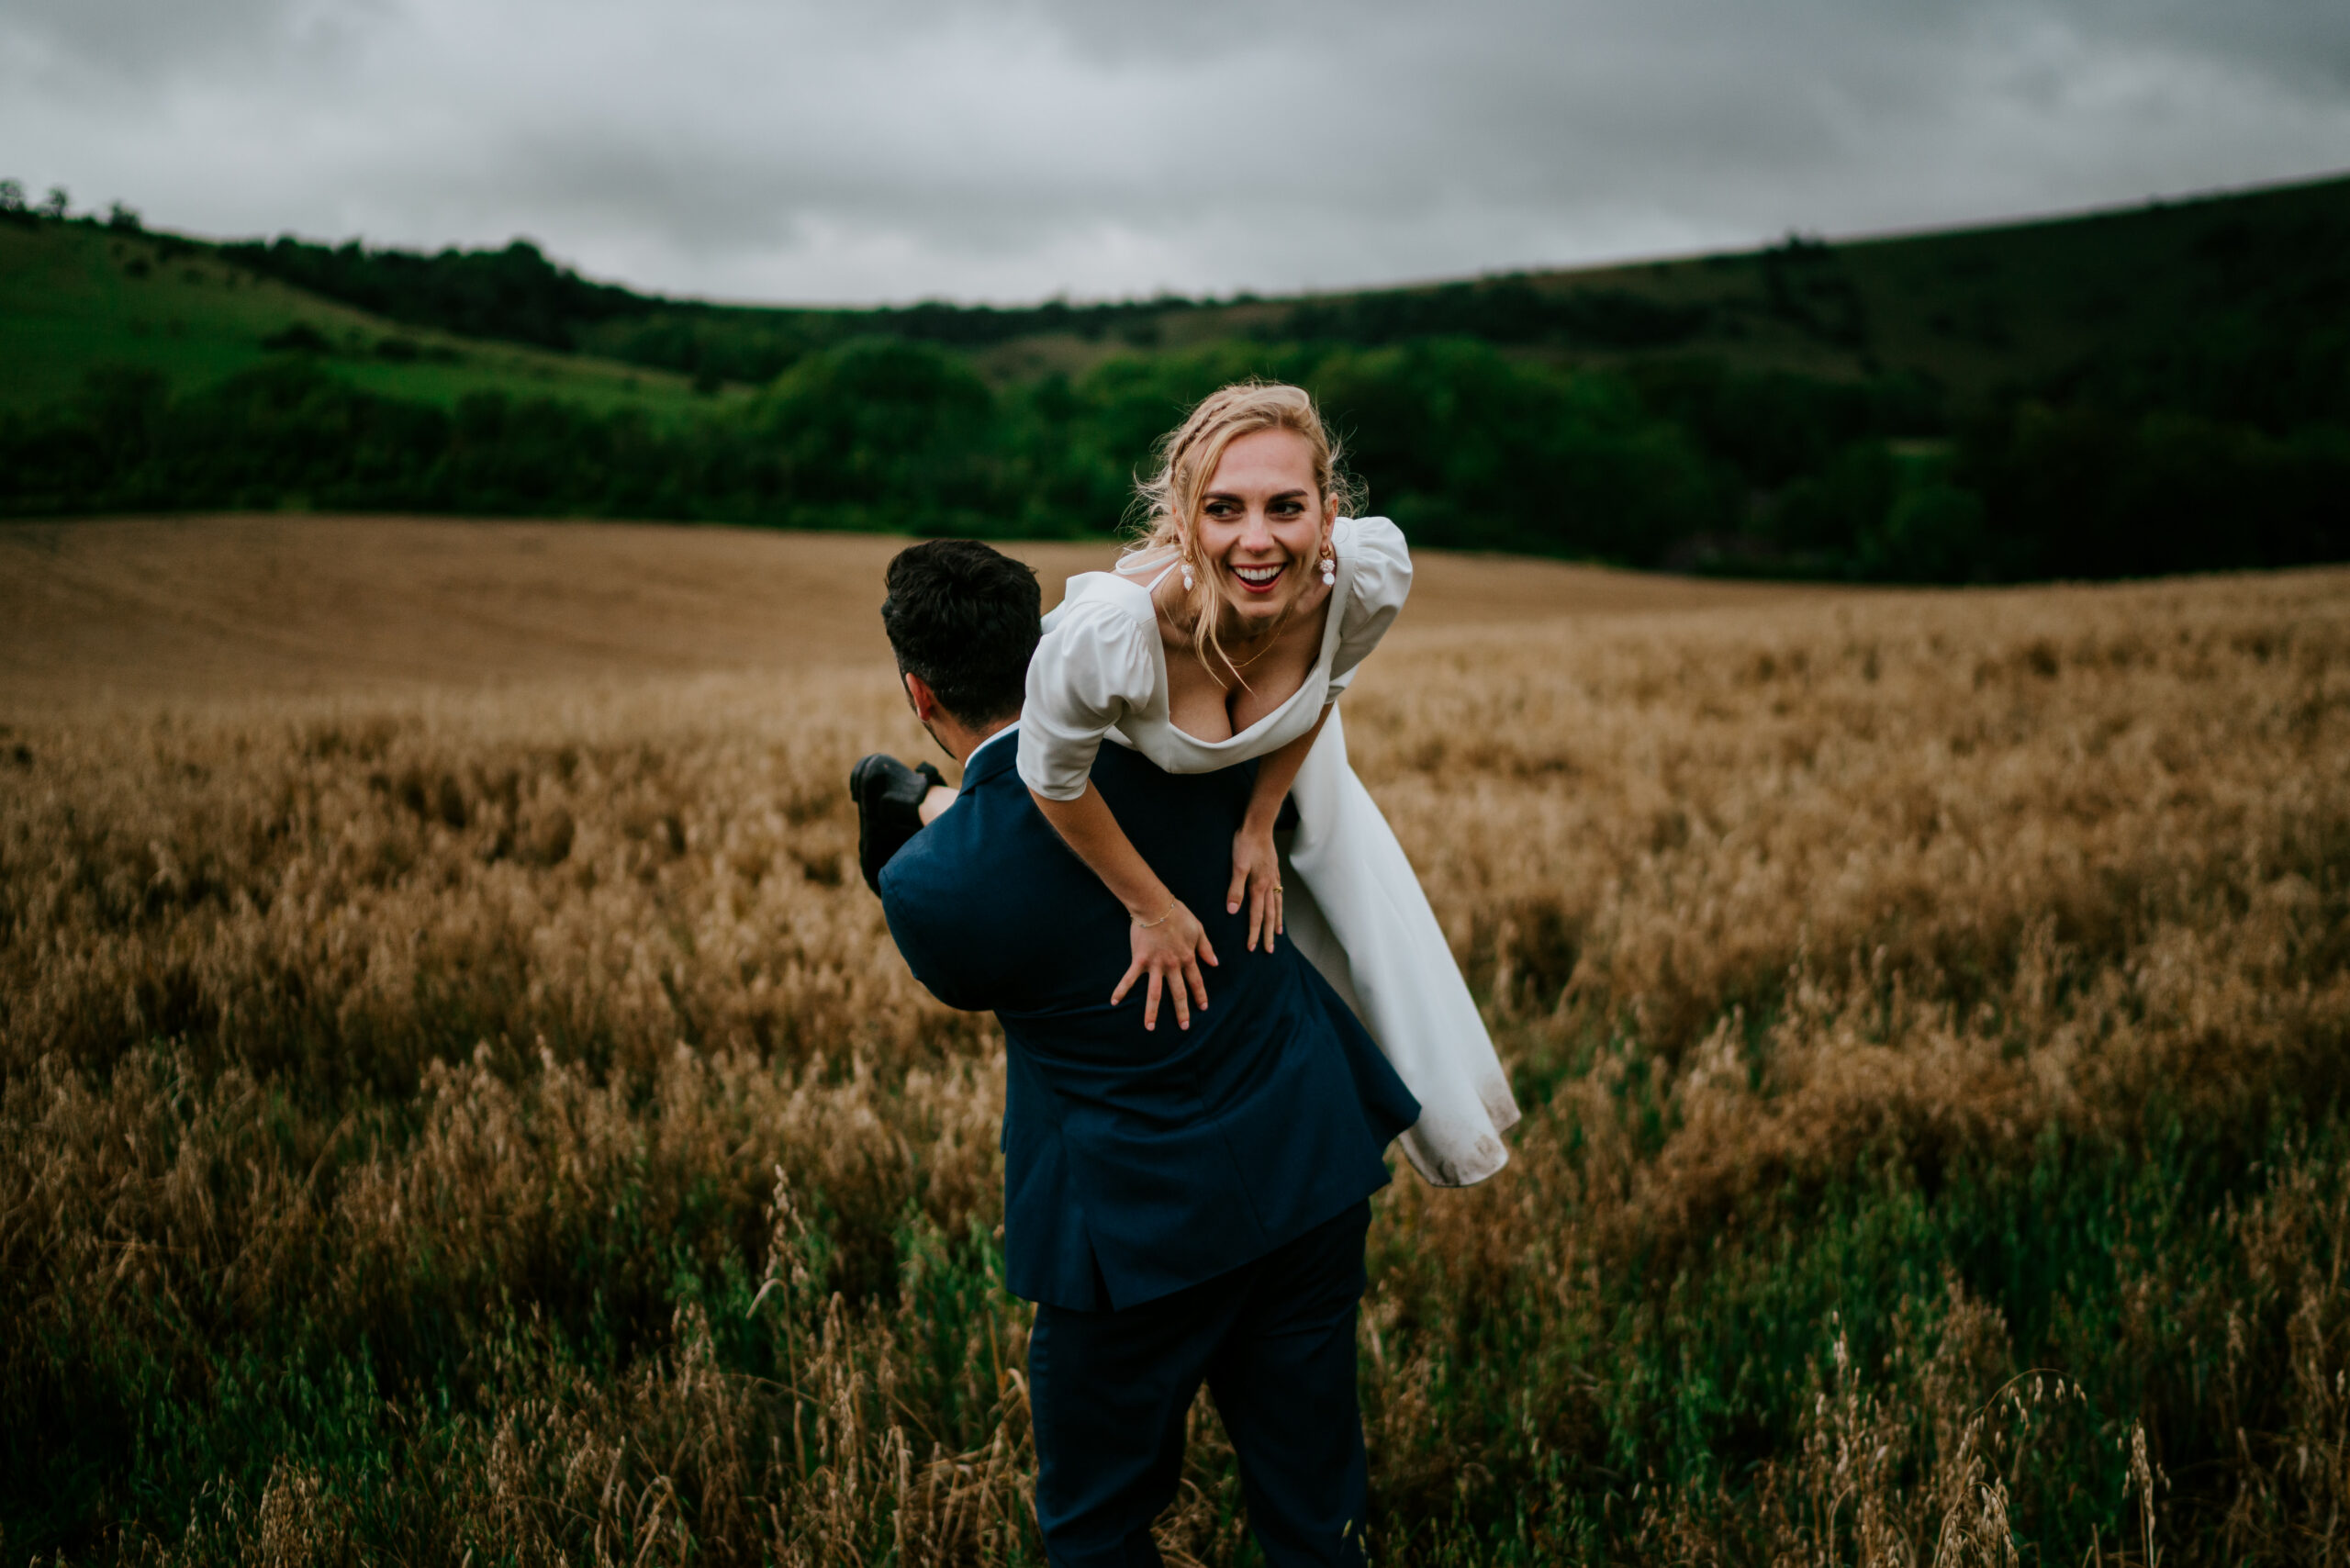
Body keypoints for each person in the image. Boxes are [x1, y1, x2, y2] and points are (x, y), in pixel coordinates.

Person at [865, 537, 1422, 1567]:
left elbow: (979, 926)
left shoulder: (934, 886)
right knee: (1313, 1508)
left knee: (1097, 1526)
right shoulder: (1192, 732)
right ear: (1042, 644)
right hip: (1305, 1160)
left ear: (918, 692)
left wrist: (908, 829)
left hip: (1131, 1234)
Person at [1025, 381, 1516, 1186]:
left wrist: (1260, 819)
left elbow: (1324, 689)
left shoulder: (1361, 578)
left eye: (1285, 508)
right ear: (1183, 522)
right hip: (1111, 784)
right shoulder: (1107, 636)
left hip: (1287, 785)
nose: (1257, 541)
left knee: (1367, 972)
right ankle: (920, 804)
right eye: (1224, 510)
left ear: (1328, 516)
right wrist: (1153, 907)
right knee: (993, 832)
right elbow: (1050, 781)